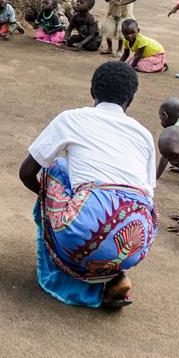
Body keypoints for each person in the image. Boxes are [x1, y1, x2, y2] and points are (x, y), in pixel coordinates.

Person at [19, 61, 158, 308]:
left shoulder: (71, 118)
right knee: (116, 197)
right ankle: (116, 273)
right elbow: (148, 193)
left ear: (92, 91)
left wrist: (49, 203)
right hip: (137, 238)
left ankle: (81, 286)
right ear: (131, 99)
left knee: (56, 168)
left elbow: (27, 172)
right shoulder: (143, 133)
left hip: (85, 231)